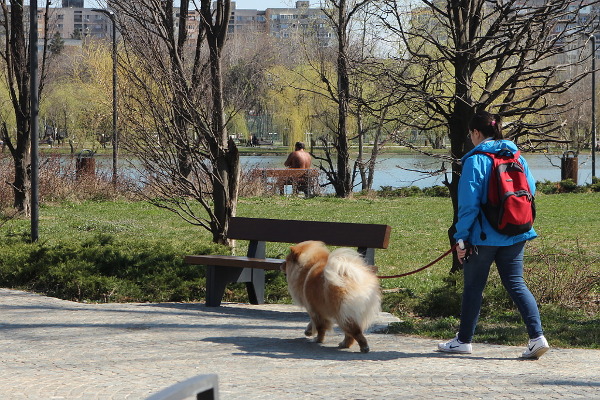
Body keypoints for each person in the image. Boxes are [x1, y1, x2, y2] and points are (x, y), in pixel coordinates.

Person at [437, 110, 549, 359]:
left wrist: (461, 236)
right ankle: (537, 337)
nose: (470, 138)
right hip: (517, 232)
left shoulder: (476, 159)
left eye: (470, 134)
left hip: (483, 237)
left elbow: (468, 204)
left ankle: (464, 340)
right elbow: (531, 189)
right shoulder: (515, 154)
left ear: (477, 132)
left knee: (474, 287)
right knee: (517, 283)